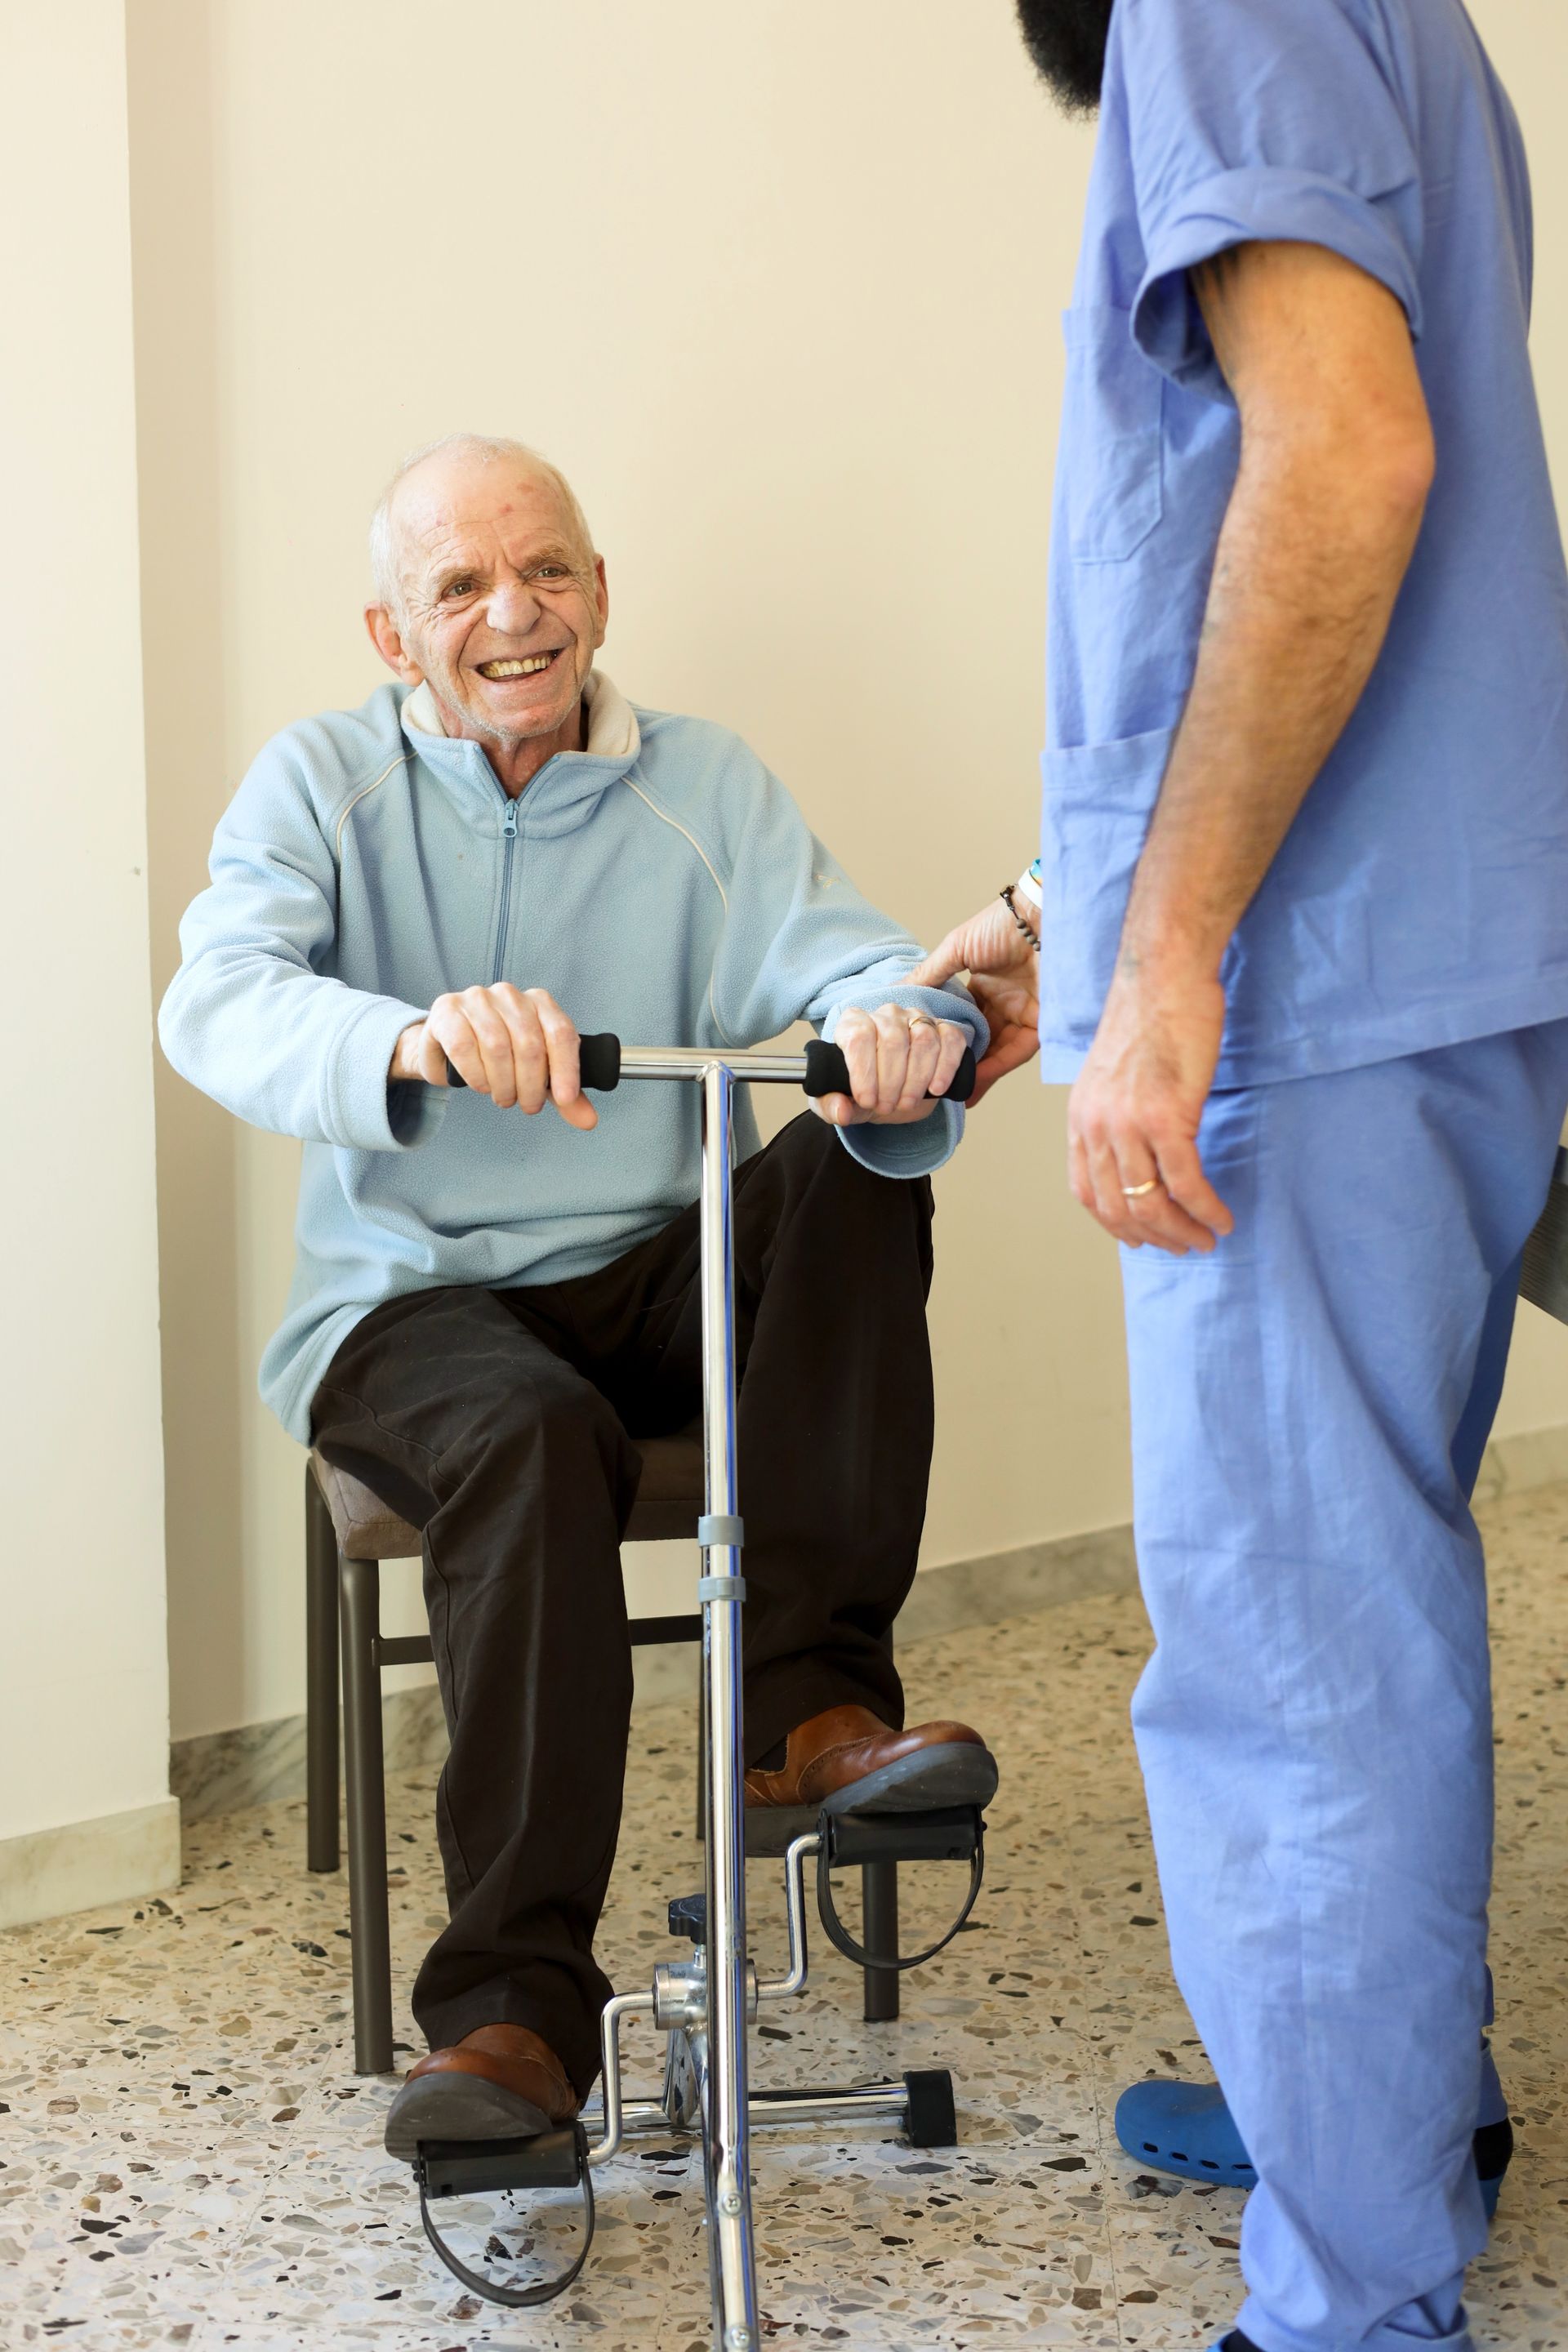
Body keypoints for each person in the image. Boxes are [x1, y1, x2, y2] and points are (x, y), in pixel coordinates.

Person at [915, 5, 1568, 2350]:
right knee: (1361, 1606)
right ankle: (1378, 2114)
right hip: (1427, 941)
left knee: (1293, 1665)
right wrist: (1071, 911)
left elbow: (1348, 462)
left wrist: (1171, 954)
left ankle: (1352, 2298)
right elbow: (1237, 534)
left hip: (1311, 977)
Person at [160, 433, 998, 2154]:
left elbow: (849, 957)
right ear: (394, 635)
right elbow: (219, 998)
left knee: (854, 1156)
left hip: (651, 1275)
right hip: (417, 1305)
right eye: (459, 584)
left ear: (600, 594)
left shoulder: (706, 782)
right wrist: (411, 1034)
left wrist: (898, 1022)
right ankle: (511, 2020)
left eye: (545, 569)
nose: (512, 613)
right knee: (533, 1432)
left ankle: (805, 1710)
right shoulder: (323, 781)